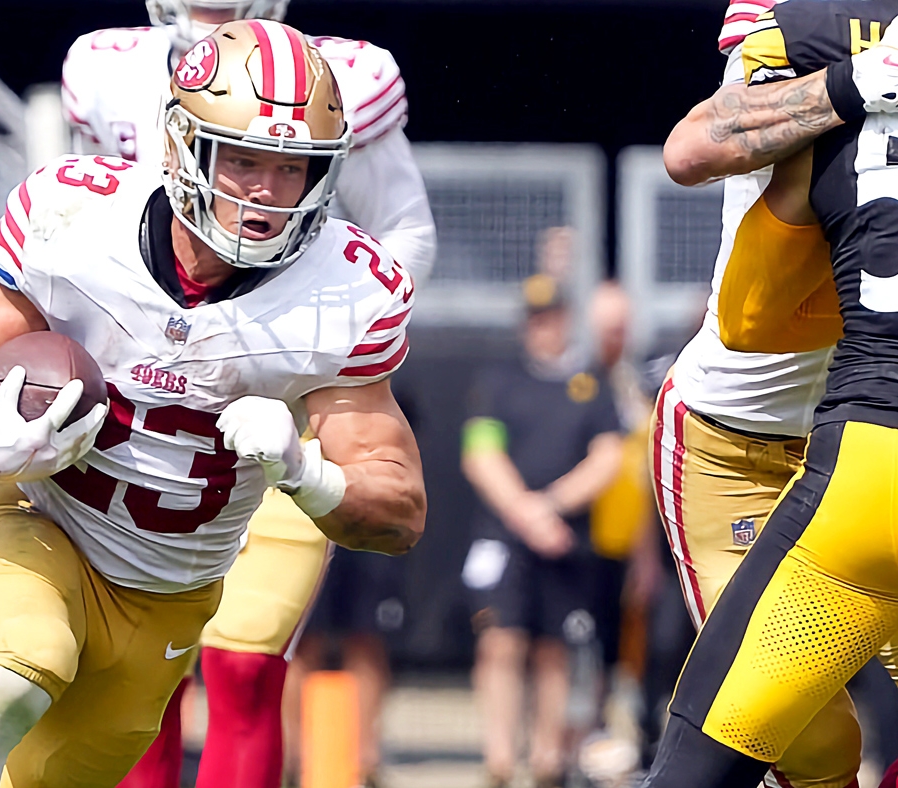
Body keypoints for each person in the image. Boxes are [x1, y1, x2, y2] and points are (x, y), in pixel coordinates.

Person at [0, 21, 427, 788]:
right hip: (45, 524)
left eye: (290, 167)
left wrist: (307, 472)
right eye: (242, 159)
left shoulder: (346, 290)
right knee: (13, 675)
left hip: (168, 597)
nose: (265, 192)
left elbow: (400, 509)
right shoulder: (76, 220)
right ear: (182, 146)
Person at [60, 3, 436, 784]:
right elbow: (74, 222)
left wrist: (315, 335)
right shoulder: (107, 67)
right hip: (148, 412)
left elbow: (404, 232)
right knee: (139, 669)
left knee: (244, 666)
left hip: (276, 404)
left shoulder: (331, 83)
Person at [642, 5, 898, 786]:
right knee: (809, 749)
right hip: (739, 441)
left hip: (859, 442)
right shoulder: (830, 28)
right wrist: (862, 80)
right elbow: (691, 149)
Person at [459, 273, 624, 788]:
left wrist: (551, 506)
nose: (542, 328)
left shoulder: (592, 385)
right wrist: (526, 513)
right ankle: (500, 759)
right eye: (534, 319)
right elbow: (481, 454)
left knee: (557, 649)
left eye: (550, 317)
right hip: (506, 534)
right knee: (500, 642)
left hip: (568, 536)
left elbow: (607, 458)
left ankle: (550, 761)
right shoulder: (498, 381)